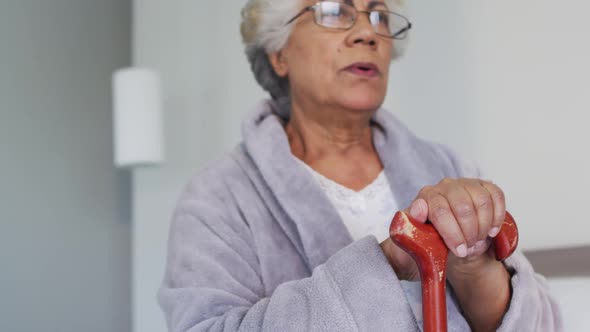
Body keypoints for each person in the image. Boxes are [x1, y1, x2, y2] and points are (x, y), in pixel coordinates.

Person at [158, 0, 562, 331]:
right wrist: (383, 265)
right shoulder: (218, 198)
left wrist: (473, 264)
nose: (368, 32)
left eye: (379, 15)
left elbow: (540, 325)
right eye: (335, 11)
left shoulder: (448, 166)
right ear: (278, 53)